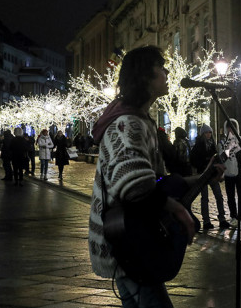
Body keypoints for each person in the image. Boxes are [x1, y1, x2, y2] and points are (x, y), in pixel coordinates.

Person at [88, 45, 195, 308]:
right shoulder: (128, 124)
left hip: (129, 239)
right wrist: (179, 210)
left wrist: (201, 177)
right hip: (127, 242)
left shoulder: (140, 120)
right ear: (145, 76)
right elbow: (136, 185)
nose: (167, 72)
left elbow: (156, 180)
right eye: (161, 67)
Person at [190, 123, 230, 230]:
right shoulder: (198, 145)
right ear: (203, 134)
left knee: (219, 196)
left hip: (212, 174)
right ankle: (206, 221)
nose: (209, 134)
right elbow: (193, 159)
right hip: (203, 174)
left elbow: (216, 156)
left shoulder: (212, 144)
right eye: (207, 132)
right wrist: (204, 163)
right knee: (204, 198)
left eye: (210, 132)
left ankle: (222, 219)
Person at [219, 118, 241, 229]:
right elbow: (222, 158)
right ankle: (233, 216)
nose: (230, 130)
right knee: (230, 196)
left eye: (232, 128)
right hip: (228, 173)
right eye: (228, 128)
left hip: (240, 172)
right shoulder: (223, 142)